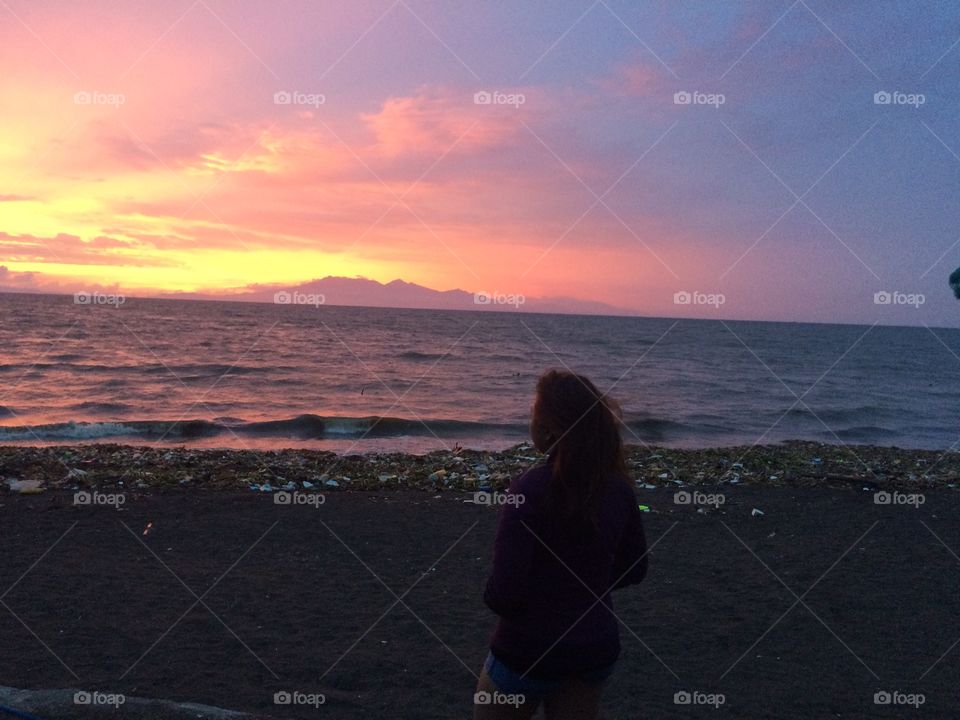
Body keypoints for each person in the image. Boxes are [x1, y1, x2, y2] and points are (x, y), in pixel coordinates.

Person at [474, 369, 649, 719]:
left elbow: (504, 593)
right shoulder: (618, 489)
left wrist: (495, 593)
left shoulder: (528, 490)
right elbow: (635, 568)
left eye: (532, 413)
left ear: (549, 428)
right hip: (593, 647)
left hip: (528, 649)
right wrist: (585, 583)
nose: (530, 421)